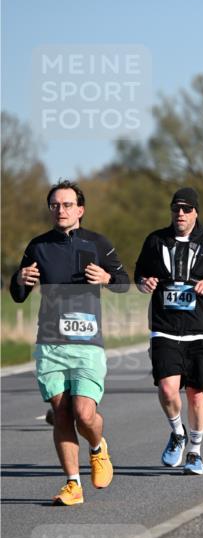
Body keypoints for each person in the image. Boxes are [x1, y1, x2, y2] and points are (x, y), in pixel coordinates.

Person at [10, 180, 129, 505]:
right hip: (50, 342)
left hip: (87, 343)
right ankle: (73, 484)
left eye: (66, 204)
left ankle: (97, 447)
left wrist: (107, 279)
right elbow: (18, 294)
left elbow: (123, 283)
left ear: (80, 209)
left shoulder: (98, 243)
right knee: (61, 414)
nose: (60, 210)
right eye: (54, 205)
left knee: (83, 413)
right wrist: (19, 280)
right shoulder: (38, 246)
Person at [134, 187, 203, 475]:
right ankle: (177, 432)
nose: (181, 214)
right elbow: (139, 272)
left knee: (195, 394)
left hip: (202, 330)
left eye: (187, 209)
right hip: (165, 328)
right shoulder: (155, 240)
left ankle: (194, 450)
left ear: (196, 212)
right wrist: (144, 282)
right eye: (176, 209)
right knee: (167, 388)